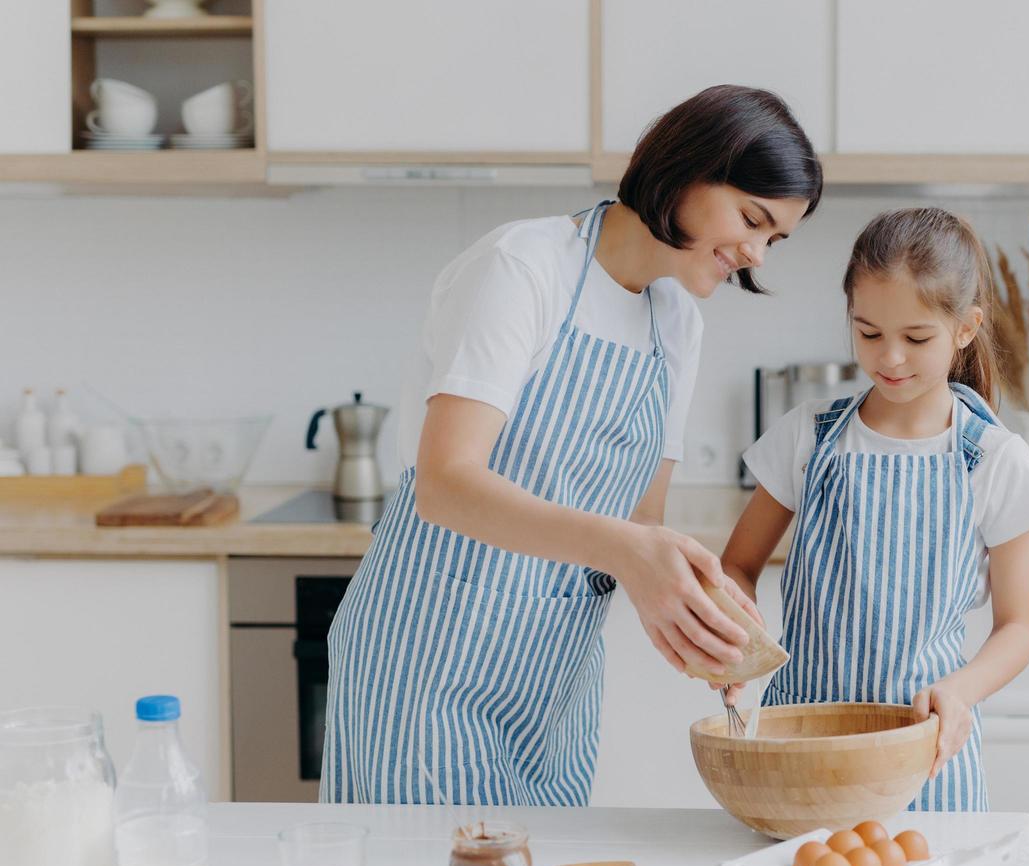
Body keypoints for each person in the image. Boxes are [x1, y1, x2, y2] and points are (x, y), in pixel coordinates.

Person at [321, 86, 823, 805]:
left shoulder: (677, 323)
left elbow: (640, 520)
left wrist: (698, 618)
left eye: (774, 238)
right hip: (428, 665)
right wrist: (627, 552)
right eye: (752, 219)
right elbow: (446, 482)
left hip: (553, 684)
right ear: (686, 170)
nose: (757, 256)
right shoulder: (523, 268)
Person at [723, 207, 1029, 810]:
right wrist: (733, 629)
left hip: (923, 758)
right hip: (801, 750)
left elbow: (1019, 628)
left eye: (916, 338)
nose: (890, 358)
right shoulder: (809, 437)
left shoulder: (995, 459)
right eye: (869, 333)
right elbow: (738, 565)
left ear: (966, 328)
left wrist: (960, 690)